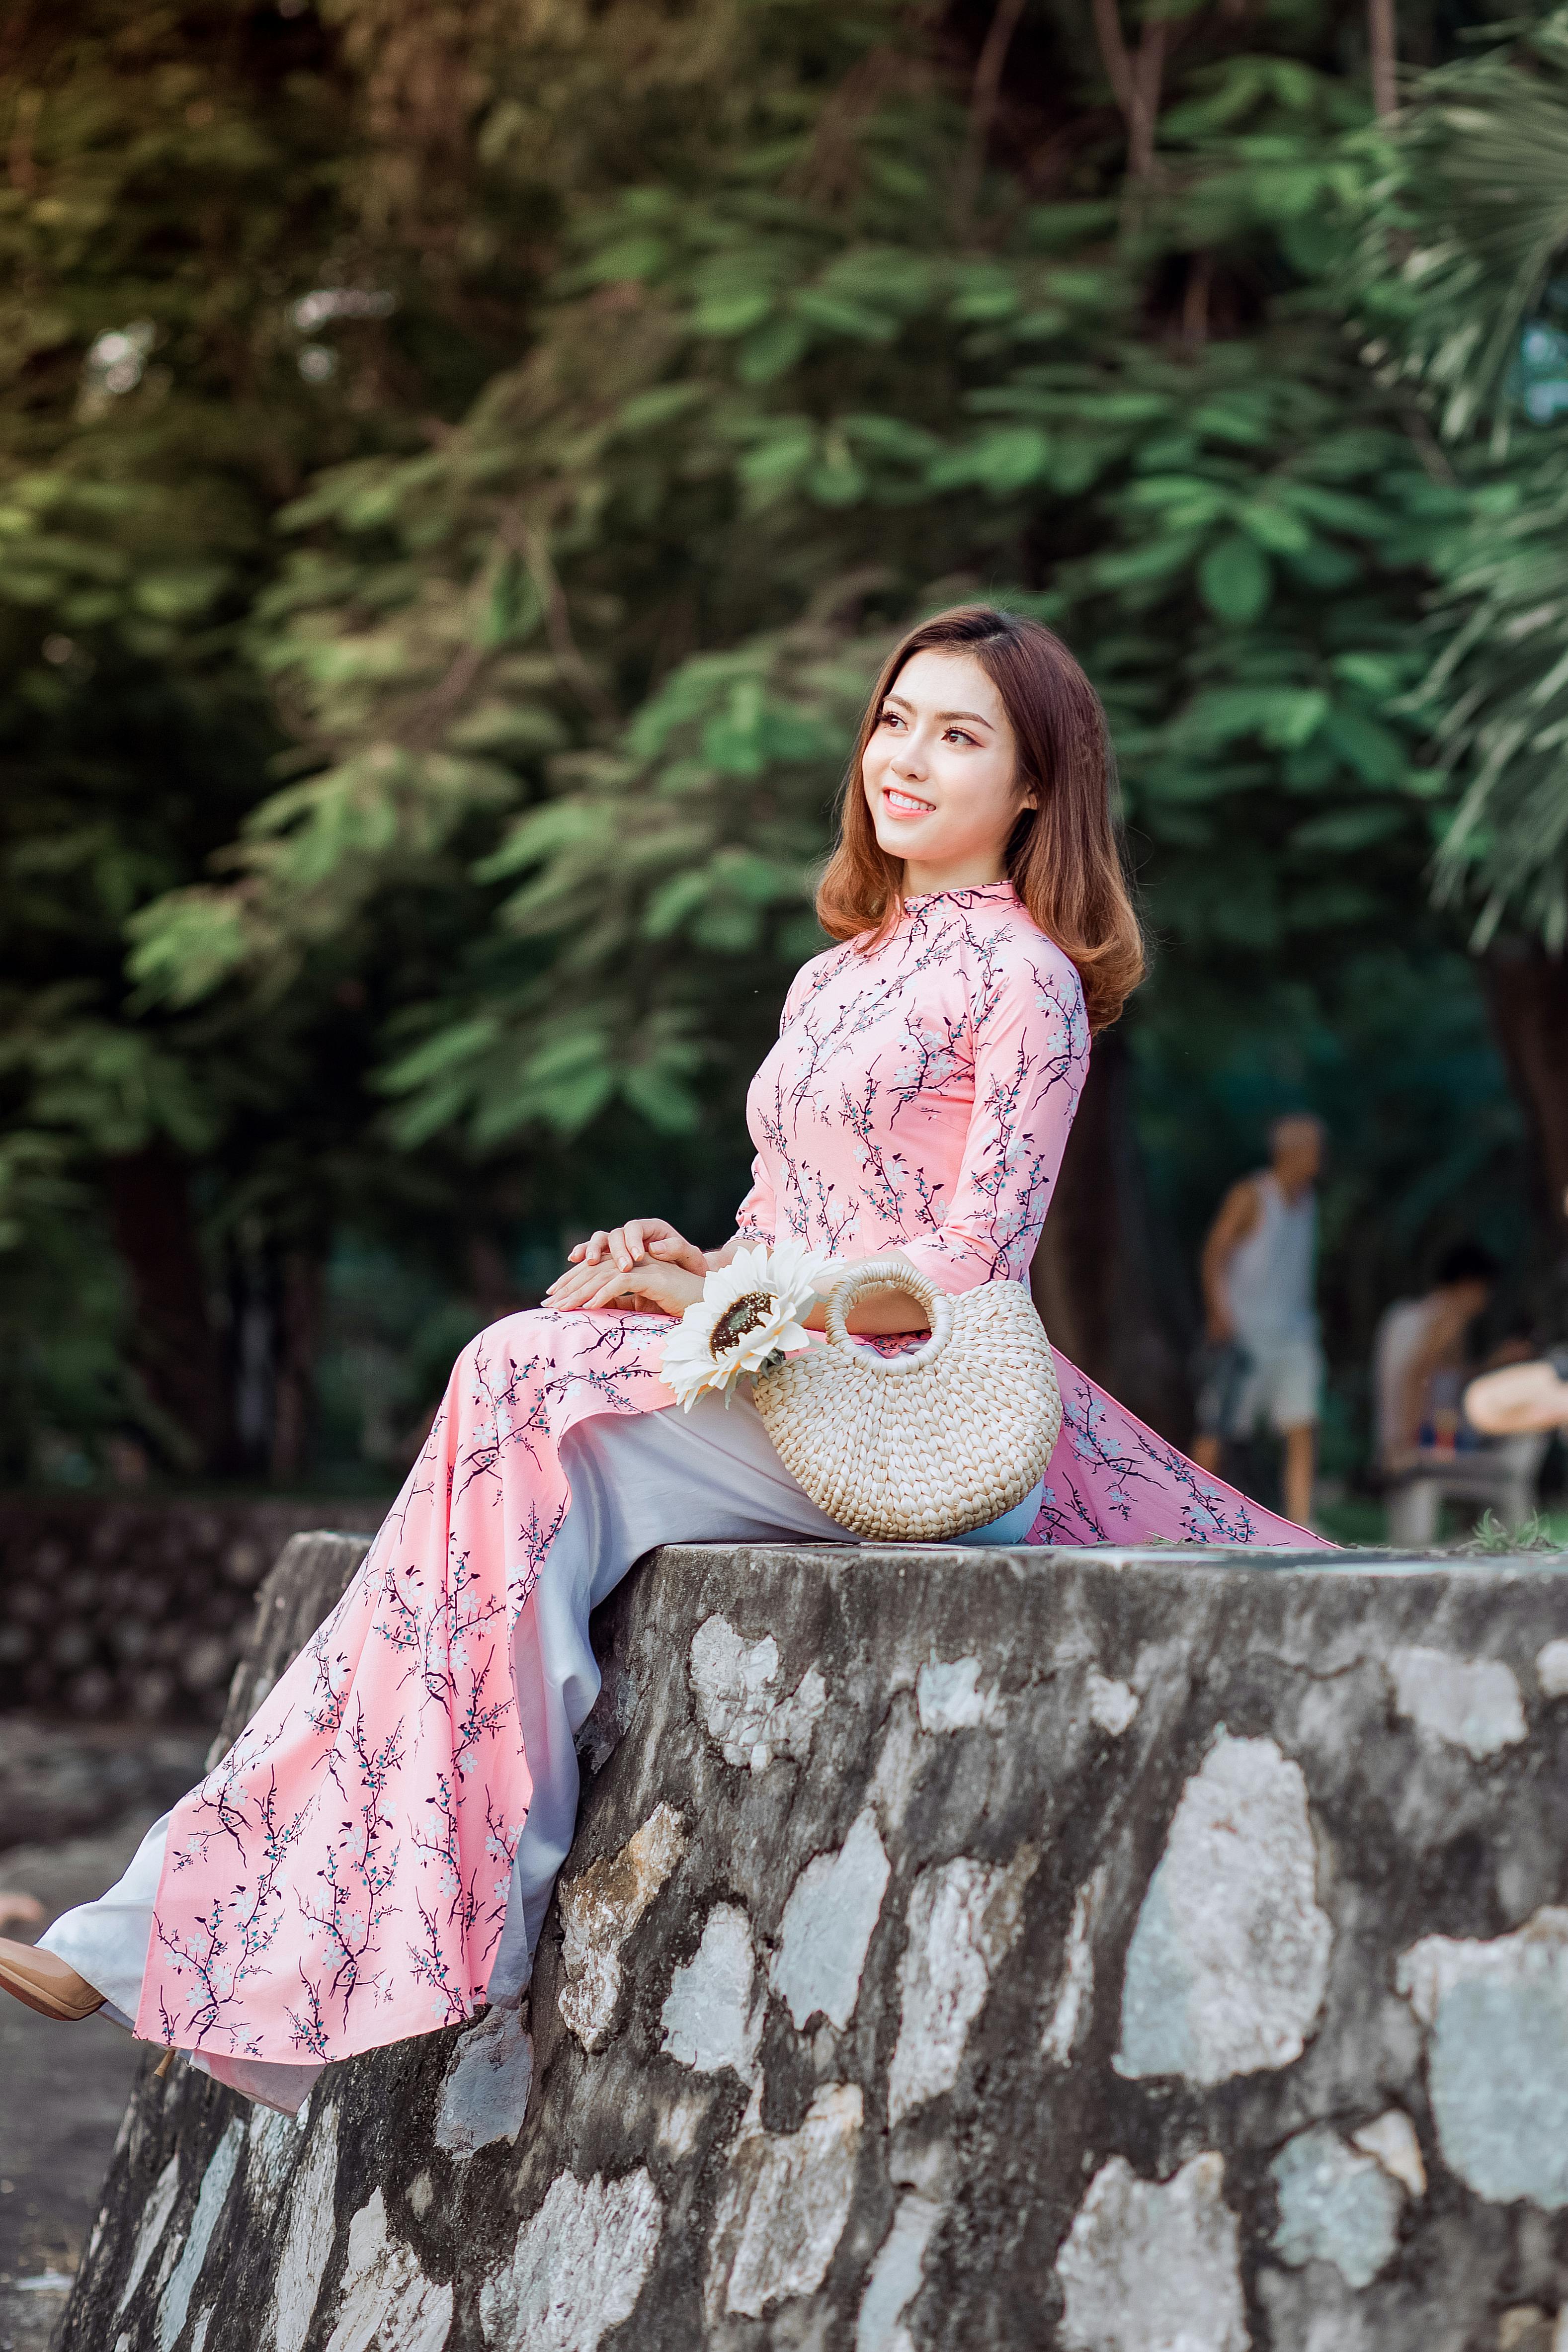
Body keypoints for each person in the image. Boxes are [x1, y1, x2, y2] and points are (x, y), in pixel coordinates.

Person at [0, 605, 1327, 2114]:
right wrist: (683, 1268)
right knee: (504, 1421)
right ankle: (171, 1921)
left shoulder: (1019, 980)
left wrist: (767, 1296)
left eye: (960, 735)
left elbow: (969, 1270)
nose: (906, 757)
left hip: (904, 1417)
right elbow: (776, 1220)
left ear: (1033, 788)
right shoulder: (838, 974)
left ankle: (417, 1943)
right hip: (784, 1376)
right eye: (895, 719)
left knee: (512, 1379)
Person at [1192, 1115, 1325, 1528]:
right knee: (1219, 1425)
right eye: (1314, 1149)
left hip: (1293, 1332)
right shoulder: (1252, 1195)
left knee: (1302, 1424)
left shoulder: (1308, 1202)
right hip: (1245, 1331)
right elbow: (1214, 1253)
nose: (1320, 1158)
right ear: (1292, 1152)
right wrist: (1218, 1313)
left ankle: (1302, 1521)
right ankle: (1193, 1515)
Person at [1373, 1241, 1500, 1470]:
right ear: (1469, 1285)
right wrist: (1407, 1446)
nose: (1486, 1303)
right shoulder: (1450, 1318)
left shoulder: (1405, 1314)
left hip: (1393, 1435)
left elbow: (1444, 1376)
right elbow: (1417, 1376)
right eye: (1486, 1290)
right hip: (1419, 1440)